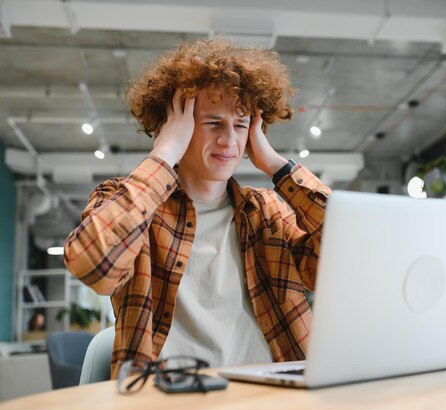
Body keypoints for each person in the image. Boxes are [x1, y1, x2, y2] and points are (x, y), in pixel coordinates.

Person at [64, 37, 331, 378]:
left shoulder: (266, 212)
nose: (229, 140)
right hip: (170, 399)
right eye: (213, 123)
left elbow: (347, 254)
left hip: (271, 396)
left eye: (240, 124)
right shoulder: (129, 202)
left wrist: (276, 165)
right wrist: (164, 153)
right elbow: (94, 267)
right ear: (177, 125)